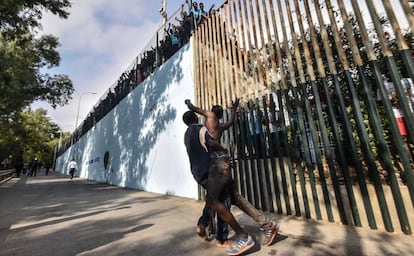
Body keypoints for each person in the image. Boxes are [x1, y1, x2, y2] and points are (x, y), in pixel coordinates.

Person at [185, 99, 280, 252]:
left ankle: (227, 234)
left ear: (211, 112)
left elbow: (197, 110)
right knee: (232, 198)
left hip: (216, 164)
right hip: (222, 163)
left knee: (219, 201)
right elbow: (231, 121)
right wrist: (234, 109)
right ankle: (267, 224)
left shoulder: (208, 119)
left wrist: (189, 105)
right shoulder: (221, 126)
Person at [183, 110, 255, 255]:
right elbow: (210, 143)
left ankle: (202, 225)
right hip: (210, 170)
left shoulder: (186, 134)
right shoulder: (200, 128)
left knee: (213, 201)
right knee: (221, 202)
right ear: (196, 118)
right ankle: (242, 236)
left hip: (197, 172)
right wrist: (222, 148)